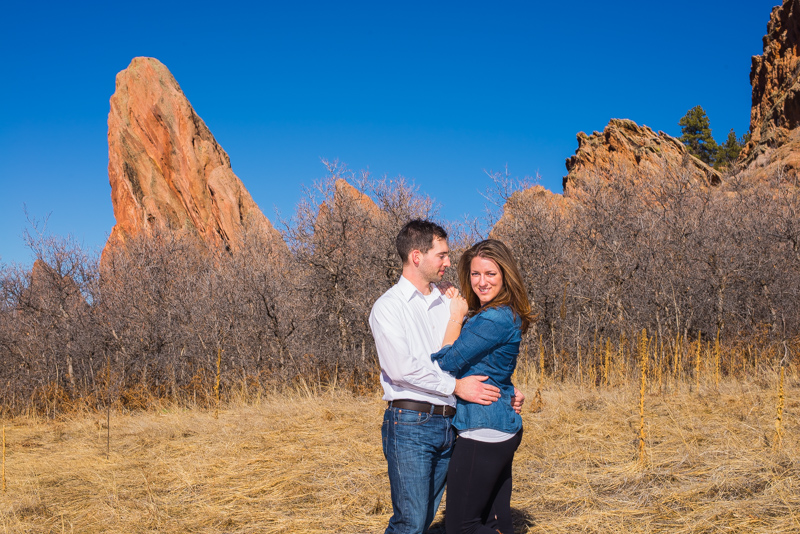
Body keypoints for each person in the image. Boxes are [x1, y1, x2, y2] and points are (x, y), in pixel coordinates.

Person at [369, 220, 523, 534]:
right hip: (411, 422)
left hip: (453, 422)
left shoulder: (451, 302)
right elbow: (401, 368)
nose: (449, 262)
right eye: (441, 255)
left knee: (427, 518)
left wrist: (505, 389)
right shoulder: (388, 307)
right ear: (416, 257)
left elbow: (477, 355)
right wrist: (456, 386)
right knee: (410, 522)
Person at [431, 239, 536, 534]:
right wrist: (508, 390)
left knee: (461, 527)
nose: (481, 282)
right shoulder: (504, 314)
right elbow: (492, 366)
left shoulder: (493, 318)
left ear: (505, 275)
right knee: (496, 521)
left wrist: (455, 315)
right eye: (475, 274)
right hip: (498, 425)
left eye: (490, 274)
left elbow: (447, 362)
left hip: (483, 430)